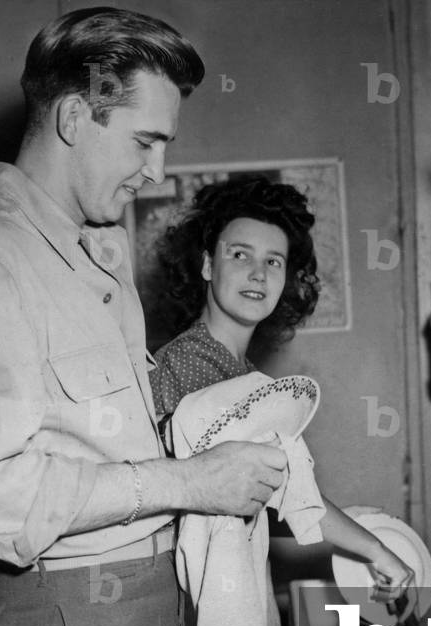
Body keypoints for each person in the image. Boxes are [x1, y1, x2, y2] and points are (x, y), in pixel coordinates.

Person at [0, 9, 287, 626]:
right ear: (76, 117)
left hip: (144, 606)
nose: (157, 171)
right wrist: (189, 481)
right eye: (146, 141)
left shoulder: (93, 258)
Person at [151, 176, 415, 594]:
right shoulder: (191, 365)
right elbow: (269, 495)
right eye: (240, 255)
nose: (258, 273)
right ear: (206, 265)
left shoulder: (238, 372)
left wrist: (357, 535)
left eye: (274, 261)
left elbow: (262, 498)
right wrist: (373, 547)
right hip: (179, 597)